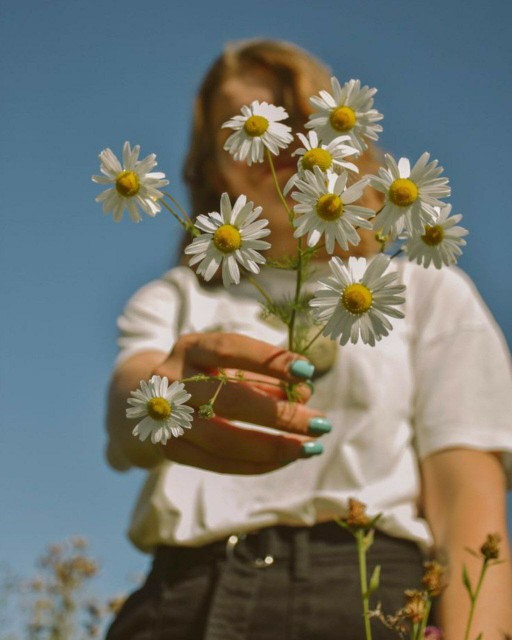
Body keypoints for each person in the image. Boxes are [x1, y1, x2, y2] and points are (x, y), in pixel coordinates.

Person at [104, 40, 512, 639]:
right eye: (246, 129)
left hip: (365, 596)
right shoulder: (181, 296)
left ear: (340, 136)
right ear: (214, 167)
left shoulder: (425, 289)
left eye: (296, 122)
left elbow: (466, 511)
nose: (276, 144)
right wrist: (164, 393)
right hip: (183, 600)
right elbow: (124, 414)